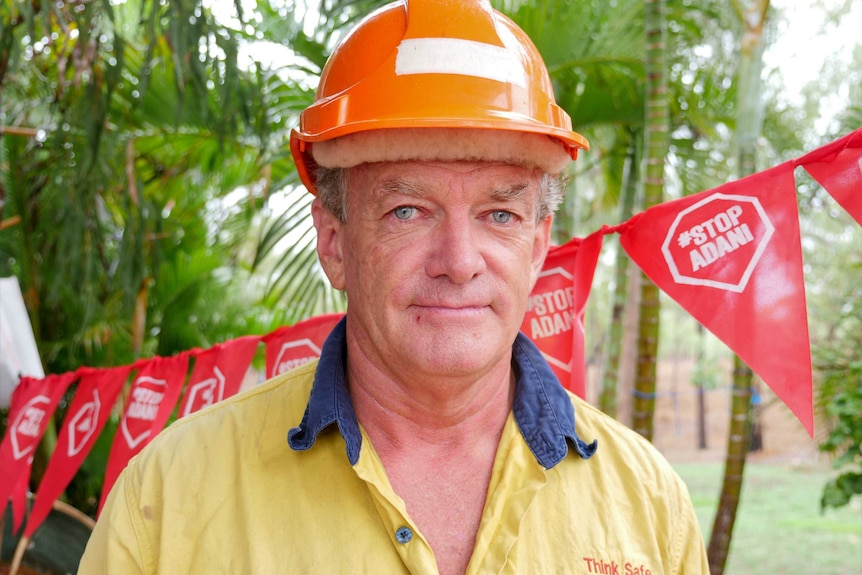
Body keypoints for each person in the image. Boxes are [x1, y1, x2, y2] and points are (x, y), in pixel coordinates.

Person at [80, 0, 709, 573]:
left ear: (539, 245)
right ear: (334, 243)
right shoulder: (169, 500)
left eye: (499, 214)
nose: (459, 262)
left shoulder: (648, 503)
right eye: (407, 211)